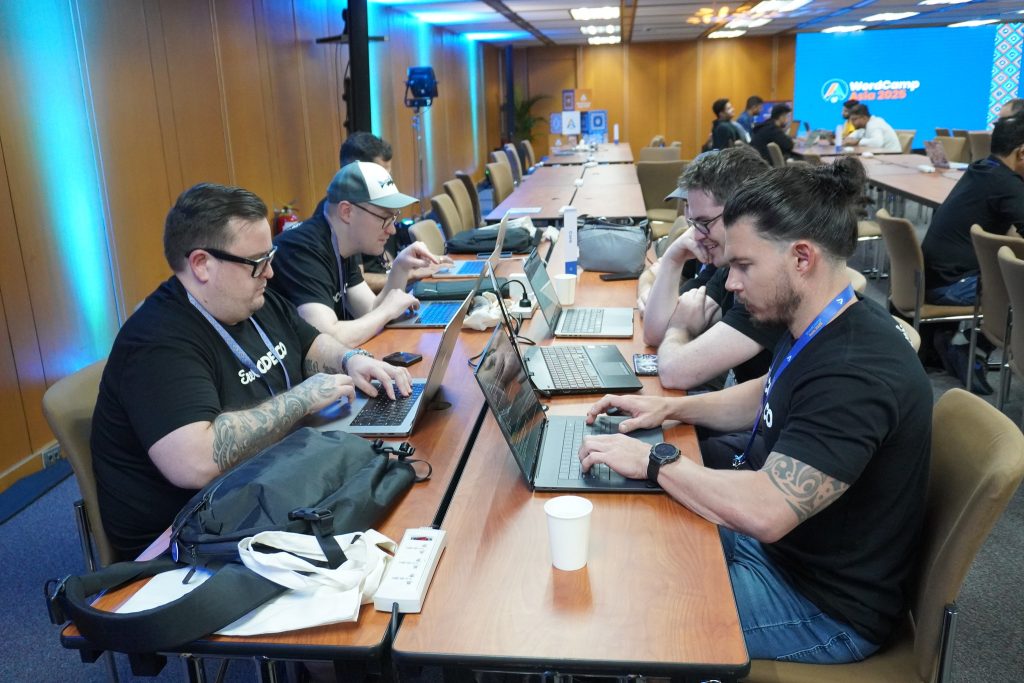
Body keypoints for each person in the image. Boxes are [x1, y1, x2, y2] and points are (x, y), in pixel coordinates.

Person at [579, 157, 932, 664]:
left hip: (821, 605)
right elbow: (767, 392)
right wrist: (668, 411)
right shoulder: (820, 320)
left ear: (802, 258)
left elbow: (766, 511)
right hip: (782, 555)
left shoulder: (856, 370)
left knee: (622, 606)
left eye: (744, 266)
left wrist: (655, 462)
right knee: (628, 543)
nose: (732, 282)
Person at [91, 183, 413, 560]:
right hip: (188, 541)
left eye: (270, 256)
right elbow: (195, 462)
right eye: (258, 262)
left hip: (265, 486)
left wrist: (351, 361)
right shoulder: (157, 342)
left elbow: (308, 342)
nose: (271, 273)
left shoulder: (249, 297)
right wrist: (303, 398)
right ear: (201, 264)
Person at [641, 147, 783, 392]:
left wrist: (680, 328)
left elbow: (675, 372)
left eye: (704, 223)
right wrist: (674, 257)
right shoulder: (730, 267)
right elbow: (654, 334)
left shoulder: (770, 282)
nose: (695, 234)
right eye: (693, 223)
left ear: (746, 210)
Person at [270, 161, 449, 348]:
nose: (392, 230)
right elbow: (326, 340)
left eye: (393, 218)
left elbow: (369, 311)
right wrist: (387, 310)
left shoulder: (343, 241)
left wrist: (400, 268)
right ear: (347, 212)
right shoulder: (302, 251)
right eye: (384, 218)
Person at [922, 115, 1024, 306]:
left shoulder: (981, 168)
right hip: (953, 286)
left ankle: (987, 333)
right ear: (1021, 153)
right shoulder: (1007, 184)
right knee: (1018, 284)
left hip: (931, 279)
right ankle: (996, 334)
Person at [339, 132, 400, 293]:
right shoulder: (345, 217)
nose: (387, 182)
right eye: (380, 175)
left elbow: (386, 262)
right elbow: (359, 281)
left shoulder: (379, 205)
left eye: (389, 175)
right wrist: (405, 275)